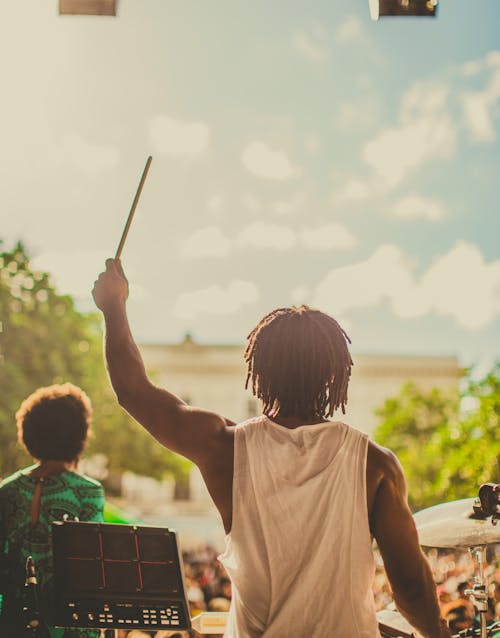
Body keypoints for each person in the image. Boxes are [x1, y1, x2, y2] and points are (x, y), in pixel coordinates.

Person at [93, 259, 452, 638]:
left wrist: (114, 306)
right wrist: (441, 633)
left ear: (259, 370)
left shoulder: (224, 447)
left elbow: (133, 390)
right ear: (334, 374)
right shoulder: (375, 464)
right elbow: (410, 587)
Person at [0, 384, 105, 637]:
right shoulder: (87, 491)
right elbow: (94, 572)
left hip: (13, 623)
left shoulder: (7, 489)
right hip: (70, 627)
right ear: (78, 435)